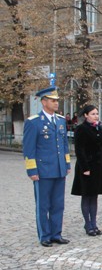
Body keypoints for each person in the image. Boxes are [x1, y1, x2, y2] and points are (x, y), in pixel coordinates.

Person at [23, 87, 71, 247]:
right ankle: (45, 235)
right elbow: (29, 149)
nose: (56, 103)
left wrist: (67, 164)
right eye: (53, 100)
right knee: (43, 205)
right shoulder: (33, 122)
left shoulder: (60, 120)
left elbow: (64, 145)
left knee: (58, 204)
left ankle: (56, 234)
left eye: (57, 100)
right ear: (44, 102)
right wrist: (32, 170)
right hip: (43, 171)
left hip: (58, 169)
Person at [71, 105, 102, 236]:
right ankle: (88, 224)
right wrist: (85, 168)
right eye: (93, 114)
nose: (96, 116)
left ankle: (94, 223)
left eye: (97, 113)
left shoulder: (100, 127)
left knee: (94, 196)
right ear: (86, 115)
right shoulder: (81, 129)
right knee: (86, 195)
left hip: (99, 166)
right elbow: (79, 150)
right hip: (87, 167)